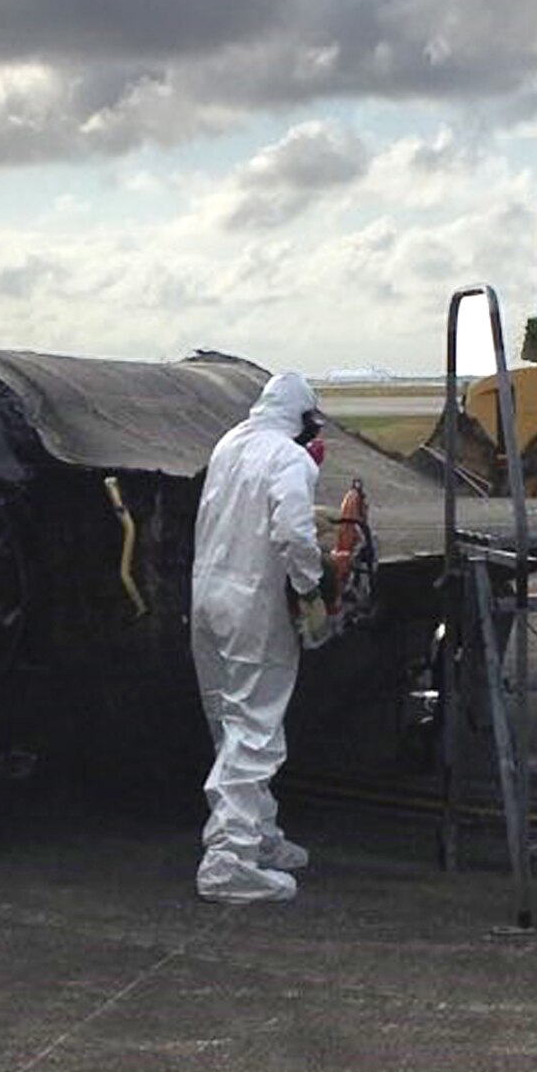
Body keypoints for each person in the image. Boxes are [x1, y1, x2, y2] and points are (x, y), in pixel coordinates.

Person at [189, 371, 329, 904]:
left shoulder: (230, 443)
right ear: (304, 420)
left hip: (208, 597)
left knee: (230, 724)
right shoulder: (289, 458)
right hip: (254, 606)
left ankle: (259, 834)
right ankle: (229, 860)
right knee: (254, 732)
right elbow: (294, 532)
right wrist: (311, 590)